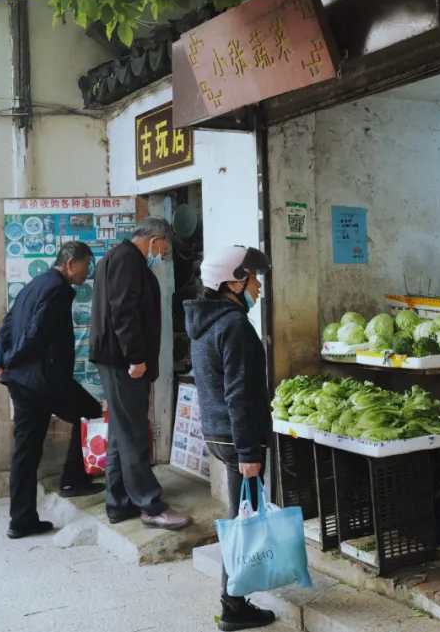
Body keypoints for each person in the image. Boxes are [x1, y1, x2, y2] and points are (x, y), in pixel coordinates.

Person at [184, 245, 276, 631]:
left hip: (219, 433)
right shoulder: (234, 325)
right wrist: (249, 450)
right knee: (242, 521)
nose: (258, 288)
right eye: (254, 280)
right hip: (237, 437)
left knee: (244, 517)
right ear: (234, 282)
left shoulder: (206, 319)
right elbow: (237, 391)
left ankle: (236, 599)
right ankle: (233, 607)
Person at [0, 241, 105, 540]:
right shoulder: (59, 289)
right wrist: (8, 361)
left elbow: (8, 325)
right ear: (69, 263)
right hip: (42, 381)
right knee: (90, 411)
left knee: (26, 452)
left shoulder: (34, 284)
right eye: (85, 265)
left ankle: (21, 519)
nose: (87, 272)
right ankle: (72, 479)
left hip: (23, 382)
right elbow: (35, 334)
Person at [89, 217, 192, 530]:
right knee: (133, 433)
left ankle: (118, 504)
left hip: (117, 359)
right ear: (155, 239)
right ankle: (151, 505)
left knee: (123, 432)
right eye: (166, 248)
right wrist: (135, 356)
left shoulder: (121, 257)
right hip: (122, 362)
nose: (163, 255)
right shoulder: (126, 259)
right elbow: (124, 310)